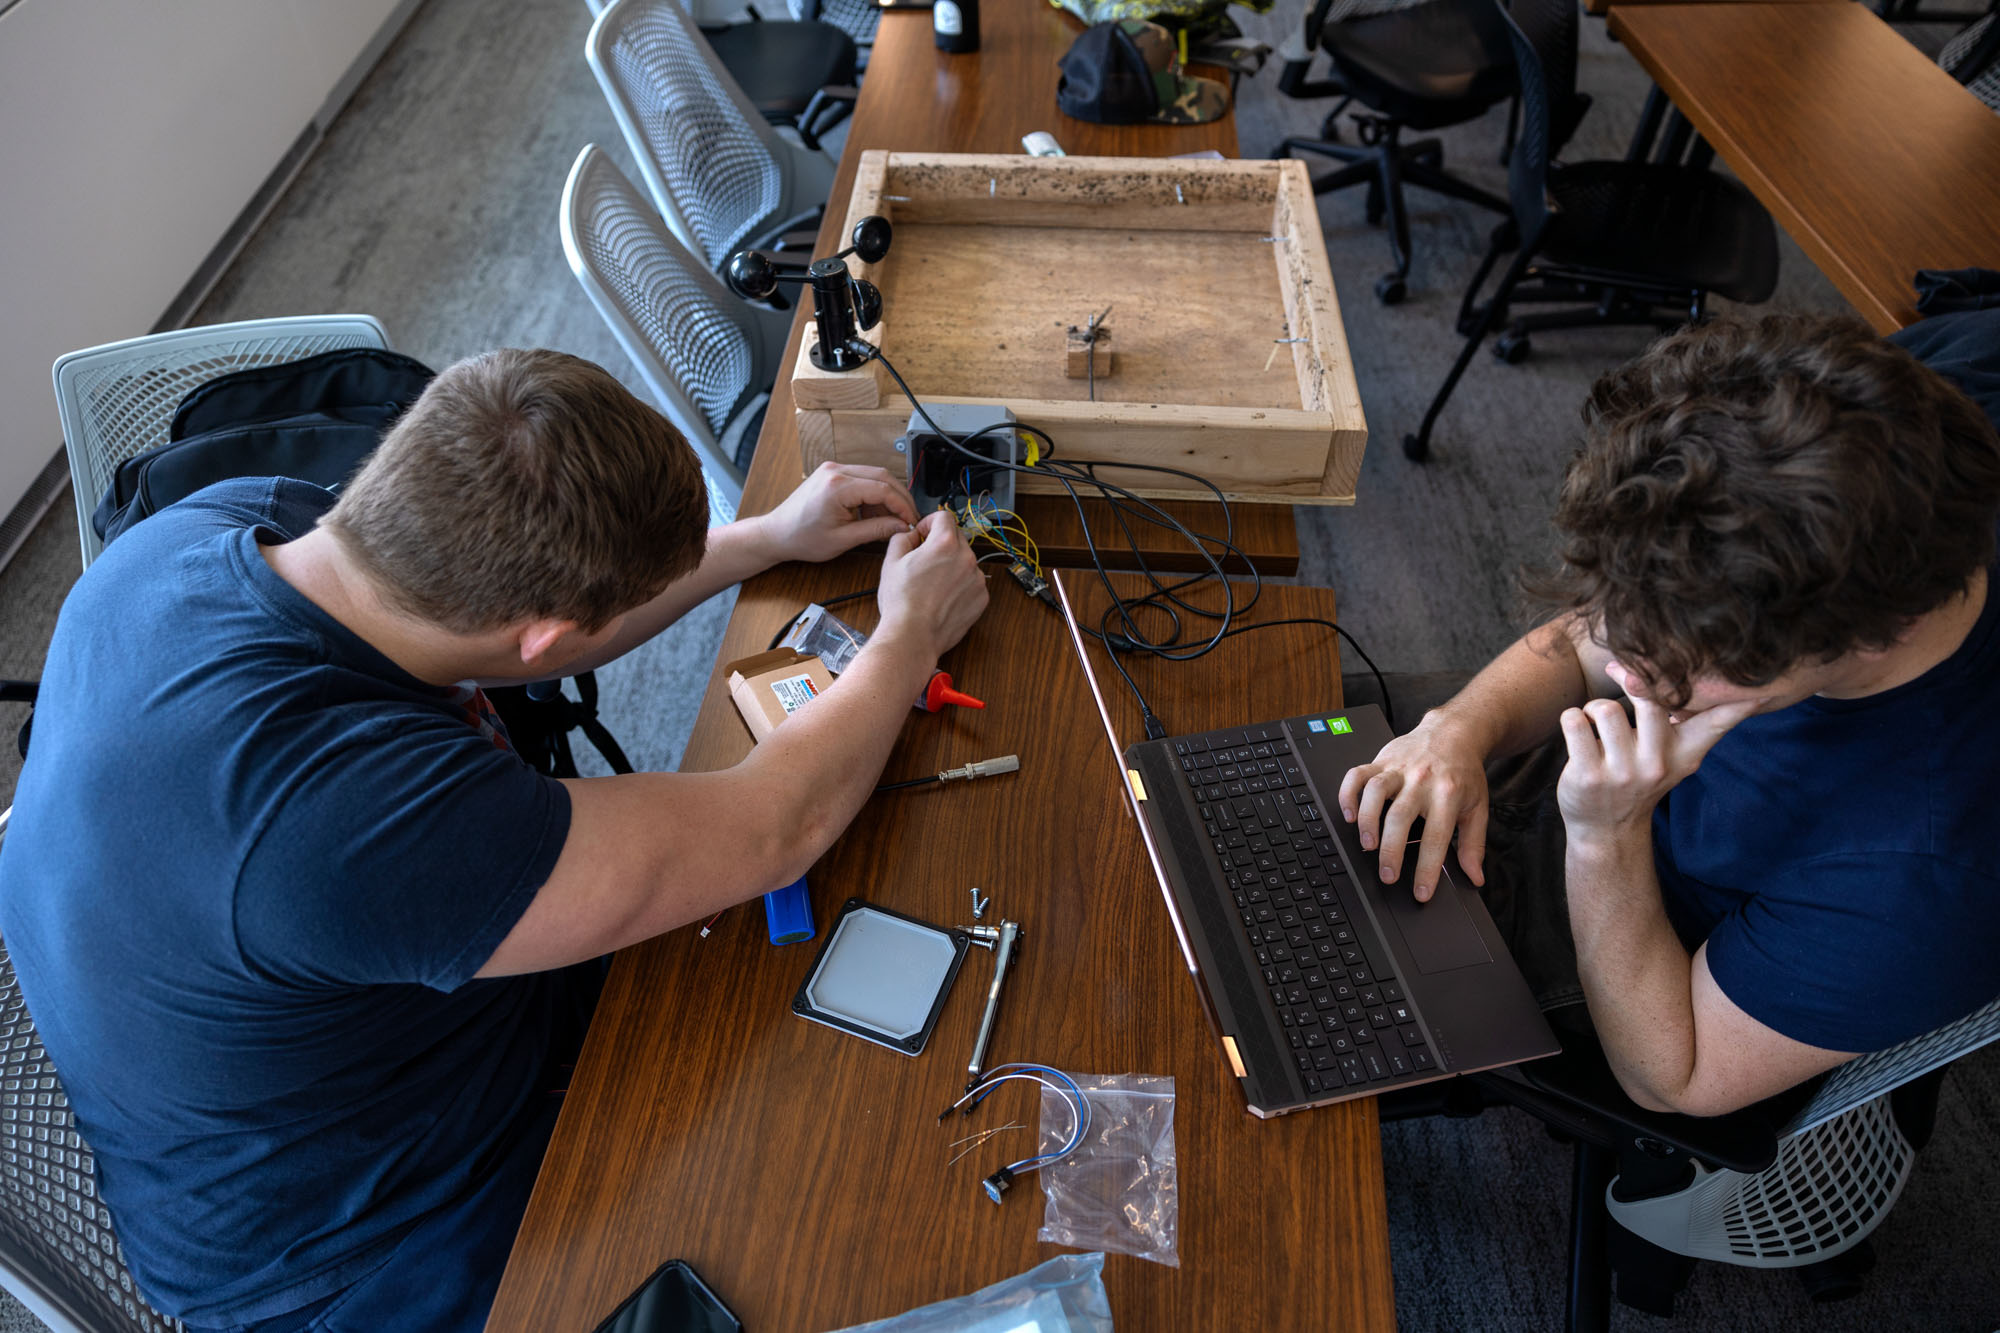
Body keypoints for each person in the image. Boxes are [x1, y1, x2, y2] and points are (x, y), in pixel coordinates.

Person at [0, 348, 989, 1332]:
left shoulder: (217, 529)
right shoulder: (355, 820)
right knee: (845, 1193)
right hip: (363, 1255)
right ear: (543, 641)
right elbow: (782, 825)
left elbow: (503, 626)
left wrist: (761, 538)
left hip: (349, 1060)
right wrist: (906, 637)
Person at [1339, 312, 2000, 1120]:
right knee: (1211, 748)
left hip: (1635, 927)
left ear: (1875, 636)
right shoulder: (1871, 418)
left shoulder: (1930, 871)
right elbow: (1601, 640)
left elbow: (1670, 1076)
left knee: (1260, 1002)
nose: (1622, 663)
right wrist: (1458, 727)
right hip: (1592, 771)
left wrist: (1605, 832)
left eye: (1682, 663)